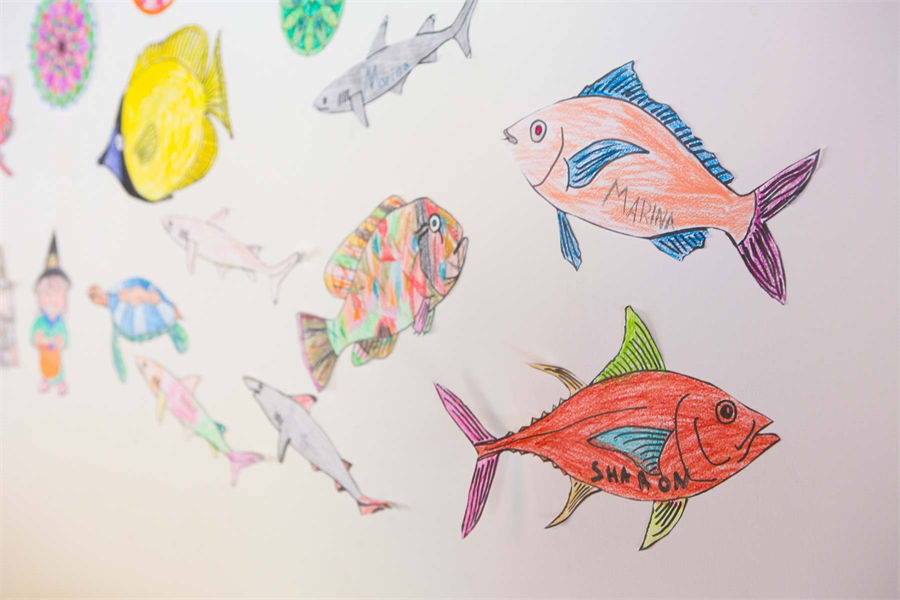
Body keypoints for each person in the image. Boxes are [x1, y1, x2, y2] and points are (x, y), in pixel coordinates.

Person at [31, 234, 70, 394]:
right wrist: (40, 339)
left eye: (57, 295)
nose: (52, 300)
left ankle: (59, 380)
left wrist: (59, 341)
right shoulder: (39, 322)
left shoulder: (60, 323)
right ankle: (46, 380)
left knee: (57, 367)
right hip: (44, 357)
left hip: (55, 357)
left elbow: (64, 340)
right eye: (47, 295)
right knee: (45, 367)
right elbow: (35, 339)